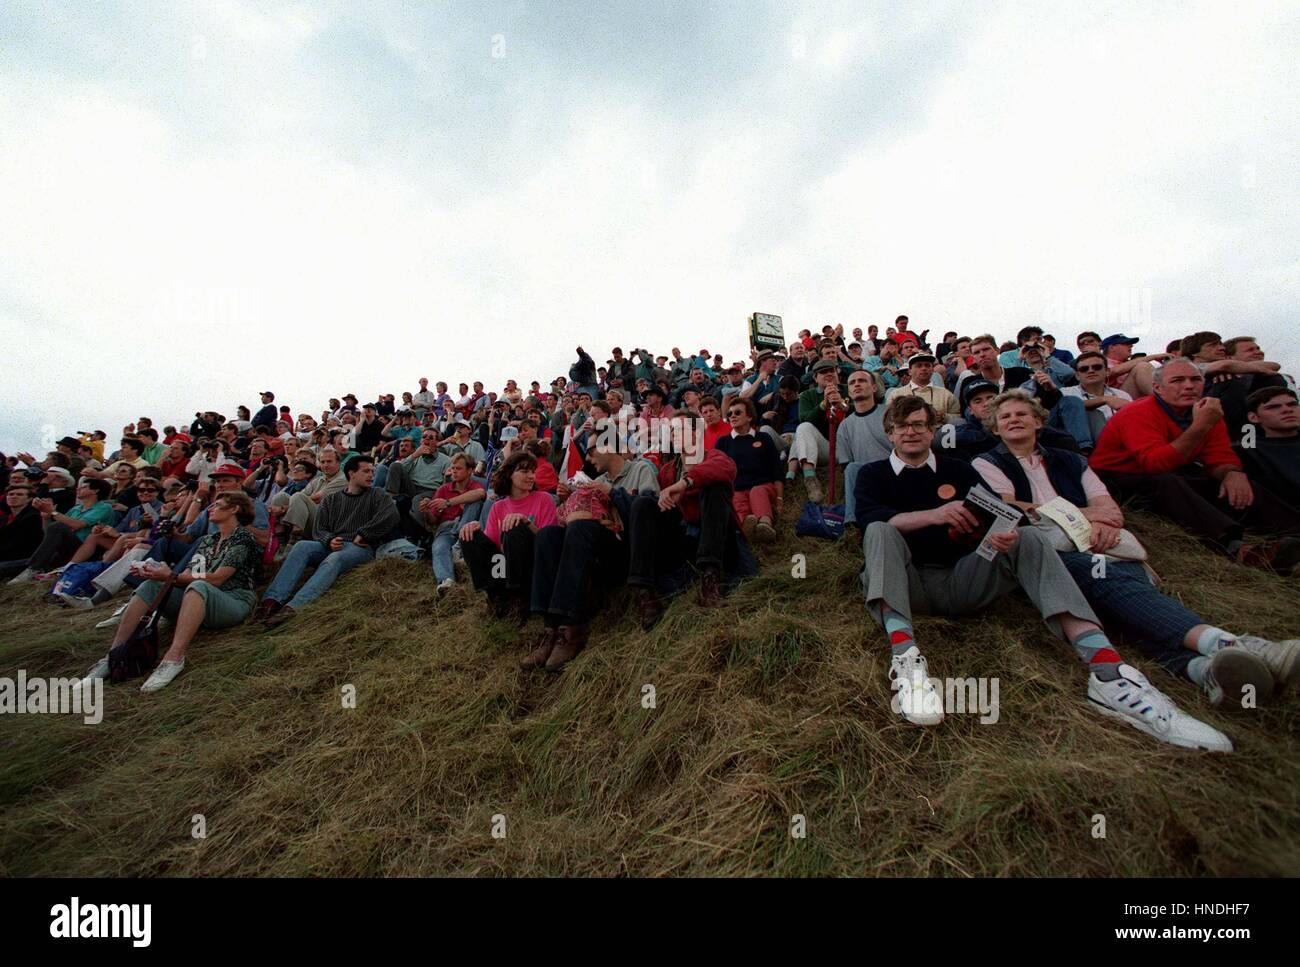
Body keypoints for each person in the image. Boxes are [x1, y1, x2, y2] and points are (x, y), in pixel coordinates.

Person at [855, 395, 1226, 749]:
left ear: (933, 430)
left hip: (964, 577)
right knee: (880, 530)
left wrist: (1001, 538)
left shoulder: (959, 470)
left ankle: (1107, 672)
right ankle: (907, 663)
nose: (911, 432)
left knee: (1028, 538)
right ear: (889, 433)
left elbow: (1001, 516)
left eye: (919, 424)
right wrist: (934, 514)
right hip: (907, 584)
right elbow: (868, 521)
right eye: (902, 426)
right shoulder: (871, 474)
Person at [972, 389, 1298, 708]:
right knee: (1108, 582)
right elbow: (1013, 510)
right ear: (995, 427)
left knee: (1119, 598)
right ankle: (1230, 643)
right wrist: (1086, 515)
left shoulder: (1071, 460)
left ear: (1039, 422)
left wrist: (1093, 520)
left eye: (1022, 414)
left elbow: (1111, 512)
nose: (1014, 420)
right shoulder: (986, 464)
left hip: (1099, 543)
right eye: (1005, 417)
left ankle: (1202, 670)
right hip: (1049, 554)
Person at [1089, 358, 1300, 572]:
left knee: (1234, 481)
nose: (1189, 386)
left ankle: (1292, 528)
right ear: (1157, 388)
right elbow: (1156, 464)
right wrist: (1201, 425)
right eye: (1178, 380)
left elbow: (1219, 455)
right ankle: (1239, 548)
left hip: (1171, 469)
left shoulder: (1206, 411)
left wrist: (1231, 472)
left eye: (1195, 379)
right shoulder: (1139, 413)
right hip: (1116, 479)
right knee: (1167, 482)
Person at [80, 491, 261, 694]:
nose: (211, 509)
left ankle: (174, 658)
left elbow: (218, 578)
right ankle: (114, 655)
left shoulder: (243, 539)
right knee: (151, 585)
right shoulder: (209, 540)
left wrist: (171, 576)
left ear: (234, 509)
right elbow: (191, 573)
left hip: (233, 599)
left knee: (199, 586)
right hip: (199, 598)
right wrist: (159, 573)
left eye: (218, 505)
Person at [628, 413, 750, 629]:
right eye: (672, 431)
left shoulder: (714, 456)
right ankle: (644, 592)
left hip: (718, 539)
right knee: (642, 504)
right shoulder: (667, 471)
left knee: (715, 486)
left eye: (680, 429)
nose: (674, 435)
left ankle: (711, 580)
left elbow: (726, 469)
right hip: (683, 541)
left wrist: (684, 484)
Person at [258, 456, 399, 628]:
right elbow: (320, 528)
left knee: (335, 559)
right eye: (366, 471)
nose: (371, 475)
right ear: (352, 473)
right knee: (302, 546)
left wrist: (364, 534)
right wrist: (329, 540)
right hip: (333, 544)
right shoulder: (332, 500)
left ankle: (294, 607)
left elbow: (391, 514)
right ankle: (271, 601)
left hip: (359, 547)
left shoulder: (377, 494)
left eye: (372, 471)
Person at [459, 450, 557, 621]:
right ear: (510, 474)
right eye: (524, 471)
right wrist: (475, 530)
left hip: (532, 565)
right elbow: (493, 549)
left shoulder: (544, 499)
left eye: (533, 472)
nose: (531, 476)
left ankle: (519, 600)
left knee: (514, 527)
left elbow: (548, 542)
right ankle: (495, 597)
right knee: (469, 535)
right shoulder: (498, 506)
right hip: (504, 568)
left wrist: (526, 522)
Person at [4, 478, 116, 583]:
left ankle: (34, 569)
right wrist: (46, 516)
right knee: (11, 566)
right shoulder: (75, 509)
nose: (78, 489)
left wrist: (53, 512)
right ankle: (34, 568)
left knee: (58, 527)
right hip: (63, 550)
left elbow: (77, 525)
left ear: (95, 491)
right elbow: (49, 532)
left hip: (85, 550)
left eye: (84, 487)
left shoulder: (104, 507)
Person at [716, 397, 783, 543]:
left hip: (764, 487)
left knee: (757, 491)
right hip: (737, 490)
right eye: (730, 414)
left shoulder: (764, 438)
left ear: (749, 416)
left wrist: (779, 498)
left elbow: (776, 469)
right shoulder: (723, 442)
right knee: (737, 497)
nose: (732, 416)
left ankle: (765, 525)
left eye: (737, 412)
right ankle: (747, 528)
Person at [837, 369, 892, 530]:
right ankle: (853, 526)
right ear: (849, 391)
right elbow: (846, 464)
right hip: (866, 478)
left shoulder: (889, 413)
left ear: (874, 388)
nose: (857, 385)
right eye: (852, 383)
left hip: (894, 471)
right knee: (852, 468)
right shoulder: (845, 426)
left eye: (862, 381)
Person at [425, 453, 487, 591]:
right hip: (446, 528)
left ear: (470, 470)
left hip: (466, 526)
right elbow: (433, 520)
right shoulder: (443, 489)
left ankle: (458, 546)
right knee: (439, 548)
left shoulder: (474, 485)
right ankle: (446, 580)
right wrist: (427, 511)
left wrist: (448, 503)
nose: (454, 471)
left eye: (458, 468)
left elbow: (480, 494)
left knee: (474, 502)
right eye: (452, 468)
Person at [789, 359, 847, 502]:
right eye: (823, 372)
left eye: (831, 371)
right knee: (803, 427)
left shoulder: (849, 389)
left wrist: (843, 405)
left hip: (846, 447)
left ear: (837, 372)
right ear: (815, 377)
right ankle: (810, 478)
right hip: (823, 449)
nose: (828, 374)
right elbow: (804, 419)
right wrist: (822, 406)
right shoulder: (808, 395)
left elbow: (858, 414)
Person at [1235, 386, 1300, 508]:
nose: (1287, 410)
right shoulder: (1249, 452)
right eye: (1273, 407)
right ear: (1253, 417)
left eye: (1293, 404)